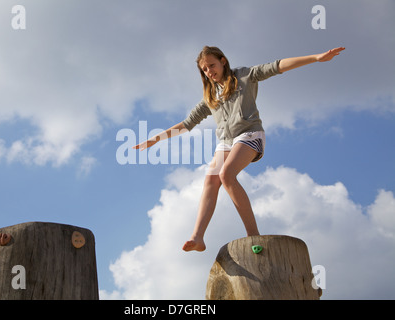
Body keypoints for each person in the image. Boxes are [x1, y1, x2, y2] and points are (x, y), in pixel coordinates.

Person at [133, 46, 345, 252]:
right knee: (211, 178)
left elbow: (278, 66)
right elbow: (186, 124)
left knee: (227, 174)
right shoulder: (210, 97)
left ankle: (253, 234)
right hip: (226, 141)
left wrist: (316, 57)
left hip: (250, 134)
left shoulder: (245, 76)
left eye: (211, 65)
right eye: (204, 70)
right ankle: (197, 238)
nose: (209, 72)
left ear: (223, 61)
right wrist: (155, 140)